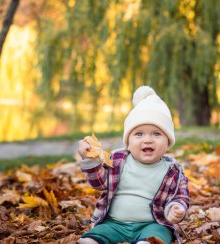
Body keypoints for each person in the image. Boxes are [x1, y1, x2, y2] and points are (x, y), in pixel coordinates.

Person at [77, 86, 190, 244]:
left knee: (158, 235)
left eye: (156, 134)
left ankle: (145, 241)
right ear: (128, 143)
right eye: (139, 134)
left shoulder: (172, 170)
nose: (147, 139)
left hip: (152, 224)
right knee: (89, 239)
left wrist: (176, 207)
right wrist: (89, 159)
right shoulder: (118, 160)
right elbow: (99, 183)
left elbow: (180, 196)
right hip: (114, 223)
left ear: (168, 143)